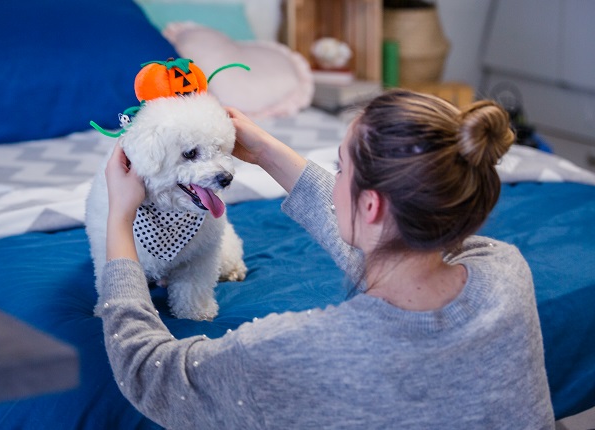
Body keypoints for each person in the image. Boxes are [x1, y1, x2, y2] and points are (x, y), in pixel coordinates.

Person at [98, 89, 555, 429]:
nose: (334, 180)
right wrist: (267, 153)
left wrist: (119, 219)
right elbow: (391, 247)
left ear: (372, 206)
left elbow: (147, 370)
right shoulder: (505, 270)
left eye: (340, 168)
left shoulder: (294, 348)